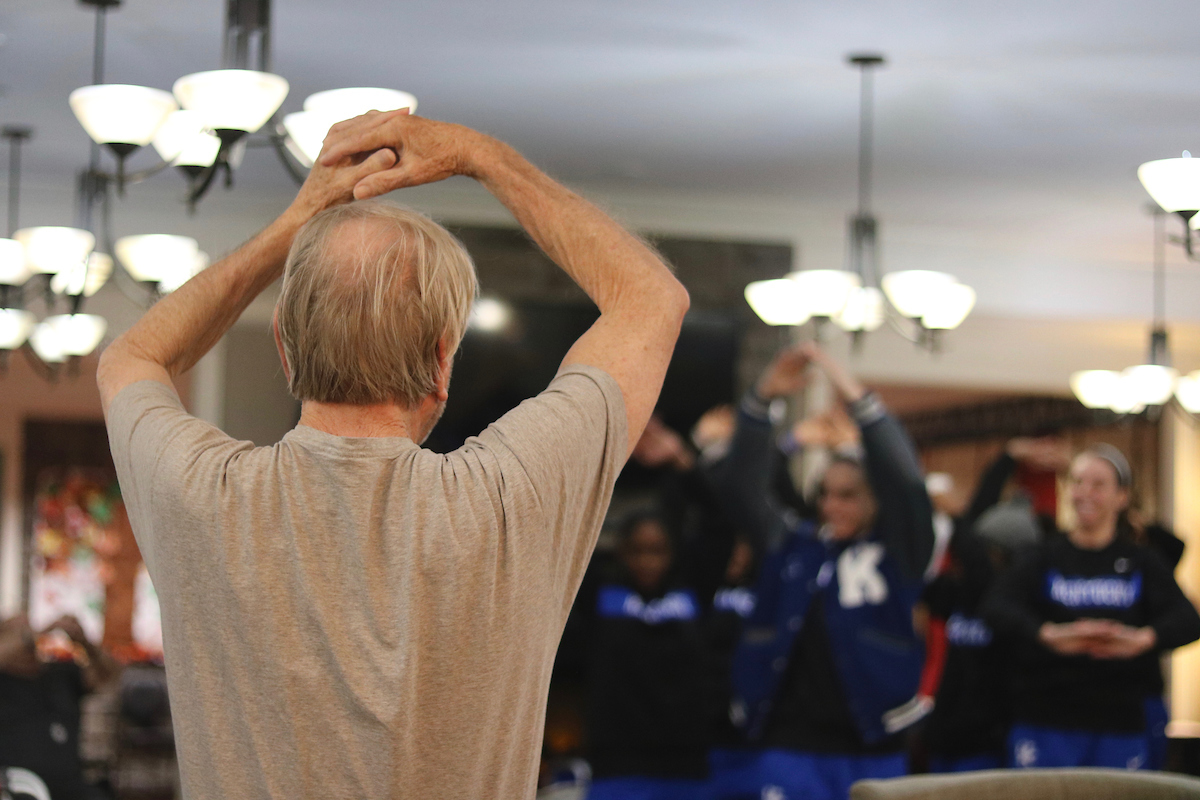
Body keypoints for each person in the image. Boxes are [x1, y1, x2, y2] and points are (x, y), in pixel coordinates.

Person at [97, 110, 690, 799]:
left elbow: (133, 357)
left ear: (286, 354)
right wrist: (483, 156)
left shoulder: (197, 491)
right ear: (443, 361)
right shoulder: (509, 494)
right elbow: (651, 297)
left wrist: (299, 221)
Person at [712, 343, 935, 800]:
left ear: (873, 498)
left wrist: (855, 396)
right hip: (790, 742)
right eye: (826, 494)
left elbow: (906, 483)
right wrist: (761, 400)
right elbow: (741, 488)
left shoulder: (898, 551)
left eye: (848, 494)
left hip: (873, 740)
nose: (832, 505)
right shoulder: (795, 545)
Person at [983, 444, 1200, 770]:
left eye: (1098, 485)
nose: (1085, 493)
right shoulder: (1043, 556)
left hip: (1119, 720)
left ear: (1122, 496)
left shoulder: (1141, 560)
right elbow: (995, 607)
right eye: (1078, 482)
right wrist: (1048, 634)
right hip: (1046, 716)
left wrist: (1143, 639)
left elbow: (1187, 619)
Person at [918, 437, 1067, 773]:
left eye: (990, 552)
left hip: (990, 743)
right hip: (944, 735)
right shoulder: (956, 592)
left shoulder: (1019, 603)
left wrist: (957, 515)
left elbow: (969, 535)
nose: (976, 557)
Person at [0, 614, 119, 800]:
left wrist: (84, 643)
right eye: (18, 632)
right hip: (19, 785)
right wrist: (37, 633)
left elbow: (109, 673)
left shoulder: (59, 673)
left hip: (70, 785)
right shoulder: (4, 680)